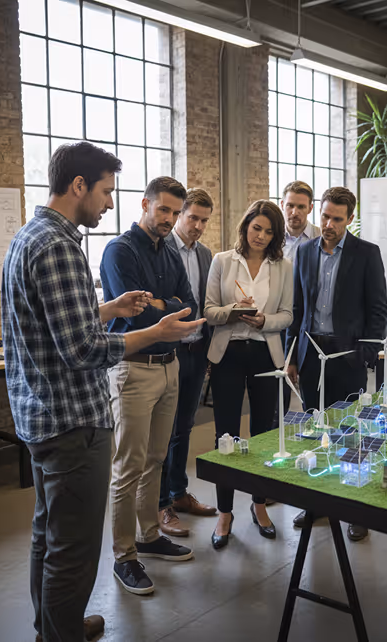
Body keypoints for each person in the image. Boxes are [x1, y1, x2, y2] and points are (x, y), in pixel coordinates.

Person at [1, 142, 204, 642]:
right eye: (106, 192)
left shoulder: (30, 236)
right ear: (78, 187)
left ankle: (55, 625)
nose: (109, 203)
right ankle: (62, 634)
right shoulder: (60, 245)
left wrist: (109, 309)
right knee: (73, 548)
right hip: (71, 421)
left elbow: (58, 325)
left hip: (42, 415)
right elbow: (82, 349)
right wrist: (155, 333)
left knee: (48, 537)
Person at [100, 177, 199, 596]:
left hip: (169, 367)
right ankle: (124, 556)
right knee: (128, 466)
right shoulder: (119, 250)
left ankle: (147, 535)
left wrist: (162, 305)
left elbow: (187, 303)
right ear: (145, 204)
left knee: (156, 458)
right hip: (133, 369)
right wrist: (164, 308)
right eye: (164, 211)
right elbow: (138, 318)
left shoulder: (171, 251)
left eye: (175, 213)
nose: (170, 220)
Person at [285, 186, 387, 541]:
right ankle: (320, 506)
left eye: (336, 219)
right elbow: (298, 308)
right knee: (317, 431)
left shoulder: (366, 254)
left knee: (352, 432)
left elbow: (377, 310)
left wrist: (368, 354)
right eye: (325, 216)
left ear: (350, 219)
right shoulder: (305, 250)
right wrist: (291, 355)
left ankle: (356, 509)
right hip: (311, 354)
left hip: (349, 356)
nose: (328, 224)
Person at [204, 200, 293, 549]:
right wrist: (233, 311)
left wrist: (264, 321)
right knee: (225, 433)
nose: (261, 235)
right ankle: (224, 513)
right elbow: (209, 311)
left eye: (269, 231)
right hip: (227, 354)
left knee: (263, 435)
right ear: (245, 227)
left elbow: (287, 314)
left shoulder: (283, 266)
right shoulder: (222, 261)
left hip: (265, 355)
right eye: (256, 227)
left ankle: (259, 505)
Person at [158, 188, 217, 537]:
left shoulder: (206, 255)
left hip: (197, 350)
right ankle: (161, 503)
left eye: (204, 220)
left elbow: (206, 305)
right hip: (170, 351)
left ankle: (179, 492)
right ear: (180, 214)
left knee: (184, 427)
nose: (197, 225)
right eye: (192, 217)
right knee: (163, 433)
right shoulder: (161, 250)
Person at [273, 181, 321, 429]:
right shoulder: (269, 238)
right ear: (282, 205)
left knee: (310, 394)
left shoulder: (322, 238)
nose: (295, 212)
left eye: (301, 206)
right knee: (275, 394)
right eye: (290, 205)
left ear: (310, 208)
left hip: (306, 326)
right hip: (274, 324)